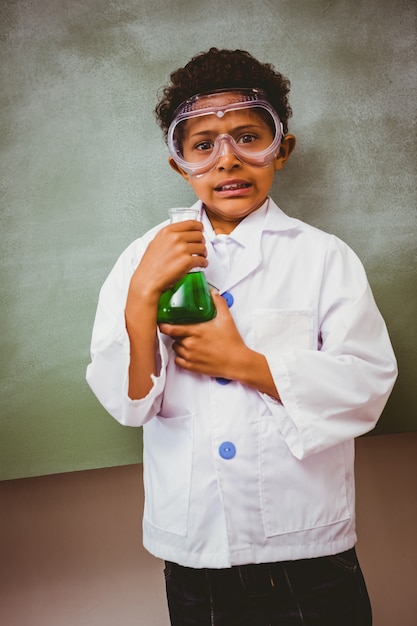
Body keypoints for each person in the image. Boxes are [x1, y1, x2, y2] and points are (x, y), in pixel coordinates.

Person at [86, 48, 397, 625]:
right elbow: (129, 406)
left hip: (309, 546)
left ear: (282, 148)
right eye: (203, 145)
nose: (226, 161)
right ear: (180, 164)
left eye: (248, 137)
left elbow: (368, 381)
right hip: (196, 549)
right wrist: (139, 299)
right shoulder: (142, 257)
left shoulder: (324, 257)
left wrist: (244, 361)